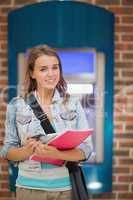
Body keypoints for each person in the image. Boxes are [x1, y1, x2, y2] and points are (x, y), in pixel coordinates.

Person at [0, 45, 93, 200]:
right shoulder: (16, 105)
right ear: (32, 73)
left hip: (65, 189)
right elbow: (8, 151)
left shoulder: (73, 104)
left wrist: (56, 154)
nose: (51, 74)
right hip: (28, 189)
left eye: (55, 68)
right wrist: (28, 151)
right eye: (43, 69)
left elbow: (86, 150)